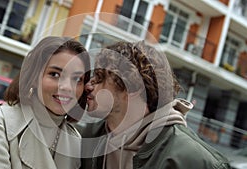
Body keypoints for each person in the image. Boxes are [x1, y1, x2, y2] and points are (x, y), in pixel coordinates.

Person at [79, 41, 231, 169]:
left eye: (99, 78)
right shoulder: (87, 138)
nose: (88, 86)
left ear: (132, 86)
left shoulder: (194, 161)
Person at [0, 36, 91, 169]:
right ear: (33, 77)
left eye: (77, 79)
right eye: (55, 74)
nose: (67, 87)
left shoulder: (74, 141)